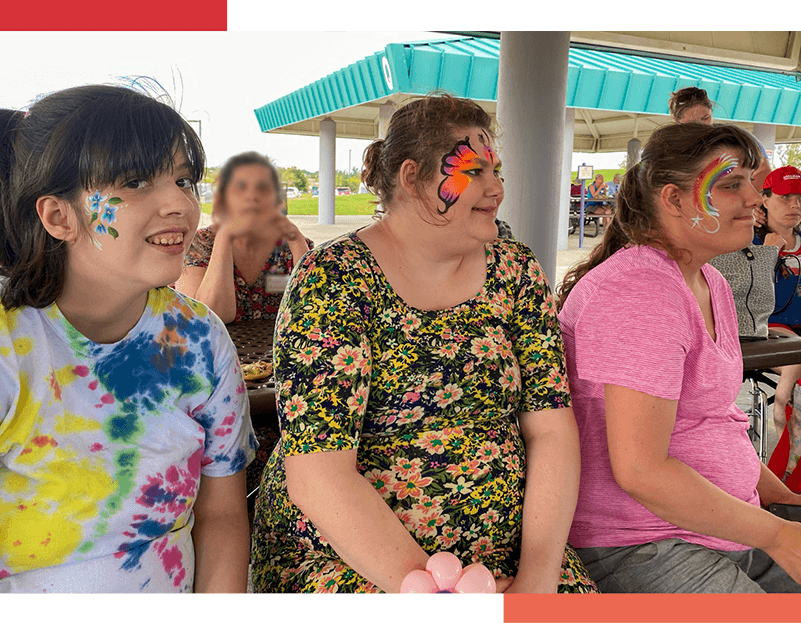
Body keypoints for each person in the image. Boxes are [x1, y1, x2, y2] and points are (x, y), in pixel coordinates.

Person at [250, 93, 598, 594]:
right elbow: (320, 473)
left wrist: (539, 577)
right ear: (411, 178)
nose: (496, 189)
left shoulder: (515, 269)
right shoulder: (335, 279)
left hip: (510, 556)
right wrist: (437, 588)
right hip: (354, 558)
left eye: (495, 170)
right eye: (472, 171)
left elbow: (552, 430)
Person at [0, 84, 258, 594]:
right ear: (59, 216)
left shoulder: (201, 340)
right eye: (137, 180)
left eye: (185, 180)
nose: (180, 205)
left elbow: (223, 517)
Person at [556, 122, 801, 593]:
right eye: (732, 185)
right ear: (671, 199)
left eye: (753, 182)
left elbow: (712, 422)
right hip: (639, 543)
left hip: (724, 529)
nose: (755, 199)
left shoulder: (711, 283)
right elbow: (641, 471)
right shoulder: (639, 291)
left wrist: (784, 499)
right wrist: (780, 535)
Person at [176, 151, 313, 324]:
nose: (252, 197)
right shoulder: (198, 244)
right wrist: (225, 236)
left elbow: (314, 308)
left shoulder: (295, 247)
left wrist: (295, 240)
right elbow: (207, 317)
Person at [755, 165, 801, 492]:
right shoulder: (748, 242)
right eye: (786, 198)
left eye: (800, 198)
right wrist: (767, 255)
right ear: (765, 200)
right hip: (768, 336)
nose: (795, 205)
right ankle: (787, 493)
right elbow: (749, 303)